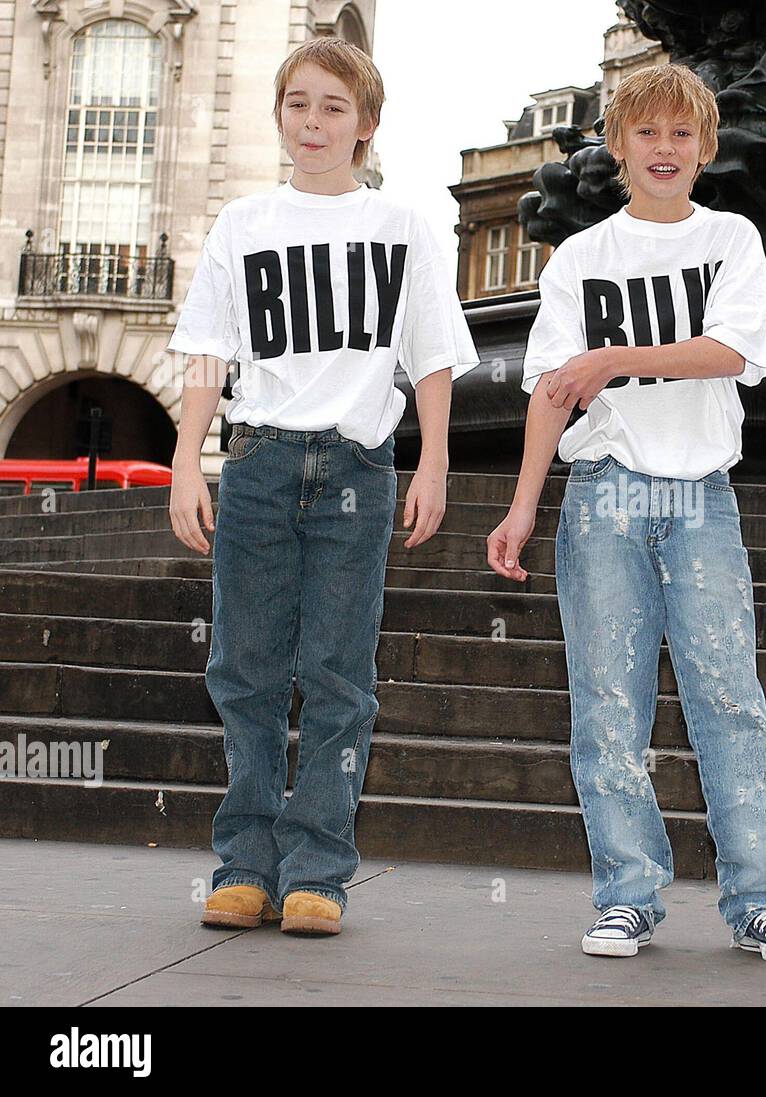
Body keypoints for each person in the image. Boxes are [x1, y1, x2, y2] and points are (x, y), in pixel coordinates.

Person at [486, 63, 766, 962]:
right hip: (602, 498)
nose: (664, 149)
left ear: (704, 148)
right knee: (605, 704)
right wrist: (522, 507)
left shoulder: (731, 238)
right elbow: (551, 394)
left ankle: (760, 899)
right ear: (618, 146)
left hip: (701, 493)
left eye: (681, 134)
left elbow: (734, 350)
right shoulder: (582, 257)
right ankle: (627, 891)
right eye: (647, 133)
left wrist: (612, 360)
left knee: (730, 697)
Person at [167, 37, 478, 936]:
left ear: (366, 126)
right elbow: (207, 354)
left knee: (339, 676)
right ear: (280, 116)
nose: (314, 122)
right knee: (244, 670)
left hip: (356, 467)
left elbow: (432, 359)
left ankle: (317, 869)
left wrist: (437, 462)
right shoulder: (243, 223)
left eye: (334, 108)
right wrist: (188, 460)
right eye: (299, 104)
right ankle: (244, 862)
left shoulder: (403, 227)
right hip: (259, 461)